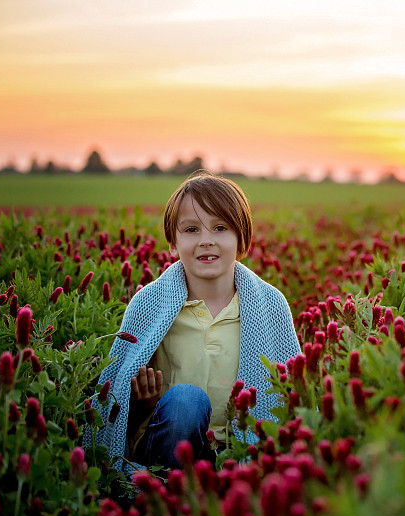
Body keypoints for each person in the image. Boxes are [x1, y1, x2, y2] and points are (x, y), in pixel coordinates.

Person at [88, 171, 301, 472]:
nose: (206, 241)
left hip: (237, 450)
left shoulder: (269, 305)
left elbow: (292, 393)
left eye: (220, 227)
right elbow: (115, 398)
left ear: (242, 239)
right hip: (167, 446)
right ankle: (167, 499)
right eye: (191, 230)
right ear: (172, 244)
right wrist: (140, 405)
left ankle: (233, 483)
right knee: (186, 401)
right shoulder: (150, 304)